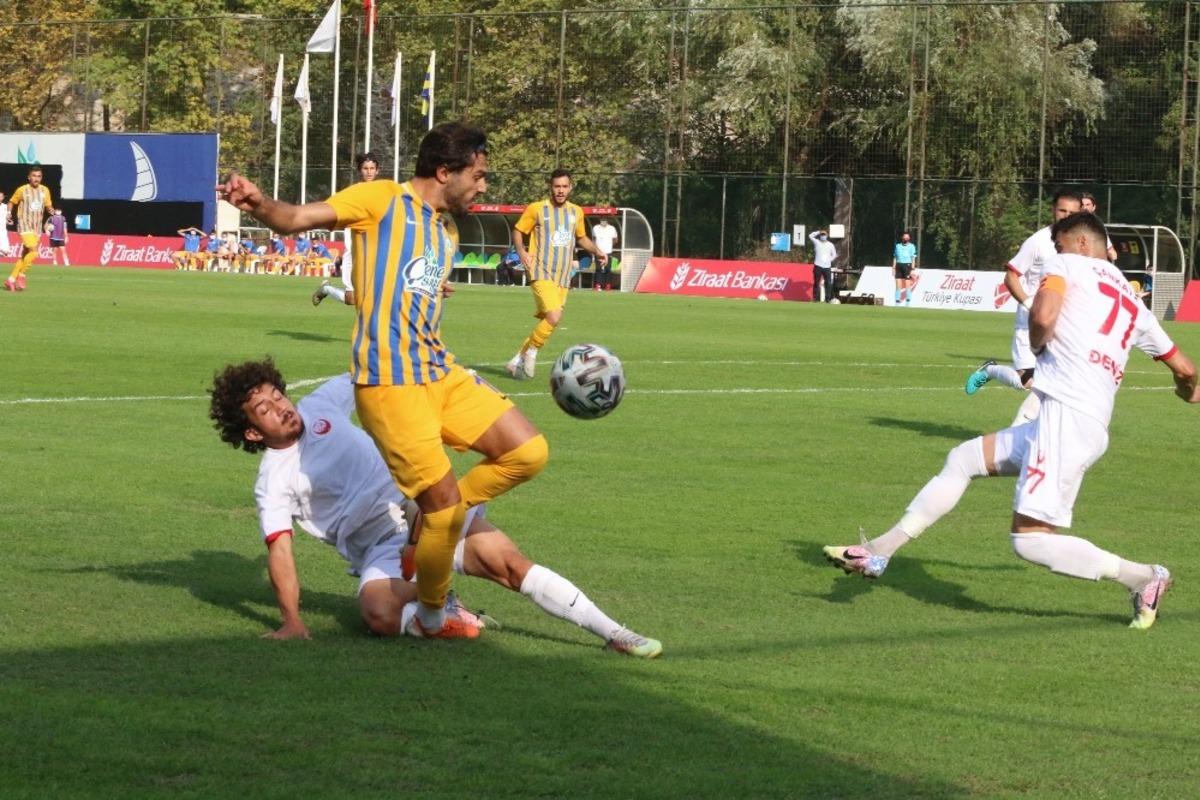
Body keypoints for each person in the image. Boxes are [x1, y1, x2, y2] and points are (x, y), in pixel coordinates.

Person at [218, 121, 550, 640]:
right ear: (445, 171)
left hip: (439, 373)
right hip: (391, 384)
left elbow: (420, 297)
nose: (484, 186)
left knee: (527, 454)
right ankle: (438, 598)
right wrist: (259, 203)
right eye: (479, 175)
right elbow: (297, 218)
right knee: (437, 513)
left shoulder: (447, 232)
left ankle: (444, 522)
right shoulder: (379, 198)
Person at [825, 213, 1197, 630]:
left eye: (1057, 244)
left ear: (1079, 244)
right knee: (964, 458)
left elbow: (1042, 317)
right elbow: (1184, 369)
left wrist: (1039, 345)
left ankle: (1145, 577)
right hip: (1082, 421)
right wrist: (1188, 391)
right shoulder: (1132, 301)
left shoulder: (1067, 264)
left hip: (1065, 419)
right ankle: (880, 551)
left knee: (1030, 541)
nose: (1053, 253)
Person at [207, 360, 662, 655]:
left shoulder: (322, 401)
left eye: (277, 396)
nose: (280, 408)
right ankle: (445, 607)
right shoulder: (272, 480)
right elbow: (280, 551)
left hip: (424, 509)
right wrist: (291, 621)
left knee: (508, 564)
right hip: (381, 553)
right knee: (375, 612)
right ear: (251, 433)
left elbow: (376, 370)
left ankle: (615, 633)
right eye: (264, 409)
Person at [964, 188, 1083, 425]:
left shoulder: (1081, 245)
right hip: (1030, 322)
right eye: (1062, 210)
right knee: (1027, 381)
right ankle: (989, 371)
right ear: (1053, 210)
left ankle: (1031, 438)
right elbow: (1011, 277)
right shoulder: (1038, 242)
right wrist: (1030, 304)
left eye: (1072, 212)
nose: (1066, 216)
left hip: (1062, 324)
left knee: (1051, 384)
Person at [505, 169, 609, 380]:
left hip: (563, 276)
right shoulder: (536, 209)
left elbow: (581, 238)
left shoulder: (576, 212)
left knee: (550, 320)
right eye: (556, 186)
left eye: (564, 186)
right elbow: (518, 230)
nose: (560, 191)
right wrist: (522, 251)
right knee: (554, 316)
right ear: (550, 187)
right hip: (540, 271)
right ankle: (532, 352)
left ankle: (516, 360)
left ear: (570, 187)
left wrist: (598, 251)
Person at [313, 152, 377, 307]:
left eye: (372, 168)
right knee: (351, 299)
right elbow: (333, 207)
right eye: (365, 168)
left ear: (377, 170)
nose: (369, 172)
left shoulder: (383, 191)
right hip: (355, 247)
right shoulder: (353, 192)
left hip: (375, 246)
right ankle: (326, 289)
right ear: (360, 170)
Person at [5, 166, 53, 292]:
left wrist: (51, 211)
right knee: (35, 252)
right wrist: (9, 213)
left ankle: (10, 280)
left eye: (39, 176)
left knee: (25, 256)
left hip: (37, 227)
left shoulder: (45, 190)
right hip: (24, 224)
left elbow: (48, 206)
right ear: (29, 177)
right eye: (34, 176)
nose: (36, 178)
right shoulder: (22, 190)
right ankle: (21, 276)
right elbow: (11, 202)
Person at [1080, 192, 1119, 263]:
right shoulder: (1069, 225)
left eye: (1087, 205)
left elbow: (1110, 251)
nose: (1084, 208)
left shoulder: (1098, 227)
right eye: (1082, 205)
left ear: (1094, 207)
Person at [591, 216, 619, 291]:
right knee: (598, 269)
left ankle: (608, 285)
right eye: (602, 219)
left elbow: (615, 240)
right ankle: (598, 285)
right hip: (598, 252)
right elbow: (593, 239)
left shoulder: (612, 228)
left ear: (607, 220)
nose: (603, 221)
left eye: (605, 219)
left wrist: (609, 245)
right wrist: (595, 249)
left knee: (608, 269)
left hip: (608, 252)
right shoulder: (595, 228)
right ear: (600, 220)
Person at [809, 229, 837, 303]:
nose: (823, 236)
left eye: (824, 235)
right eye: (822, 235)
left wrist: (829, 260)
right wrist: (818, 232)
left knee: (828, 282)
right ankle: (815, 298)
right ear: (820, 236)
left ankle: (827, 299)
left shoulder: (830, 244)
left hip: (827, 266)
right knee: (816, 282)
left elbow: (834, 254)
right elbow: (810, 236)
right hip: (818, 265)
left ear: (827, 236)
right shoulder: (817, 242)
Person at [892, 232, 917, 305]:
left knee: (907, 284)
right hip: (899, 265)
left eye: (907, 237)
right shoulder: (898, 246)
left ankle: (908, 300)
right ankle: (897, 300)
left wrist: (912, 269)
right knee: (898, 284)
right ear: (902, 238)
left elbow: (913, 258)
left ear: (909, 239)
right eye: (904, 237)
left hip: (907, 265)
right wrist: (893, 267)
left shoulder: (912, 246)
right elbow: (895, 257)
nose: (905, 238)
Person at [0, 191, 12, 258]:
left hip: (3, 229)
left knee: (6, 251)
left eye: (1, 196)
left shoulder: (5, 206)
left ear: (3, 198)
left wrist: (9, 222)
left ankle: (2, 251)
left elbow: (6, 217)